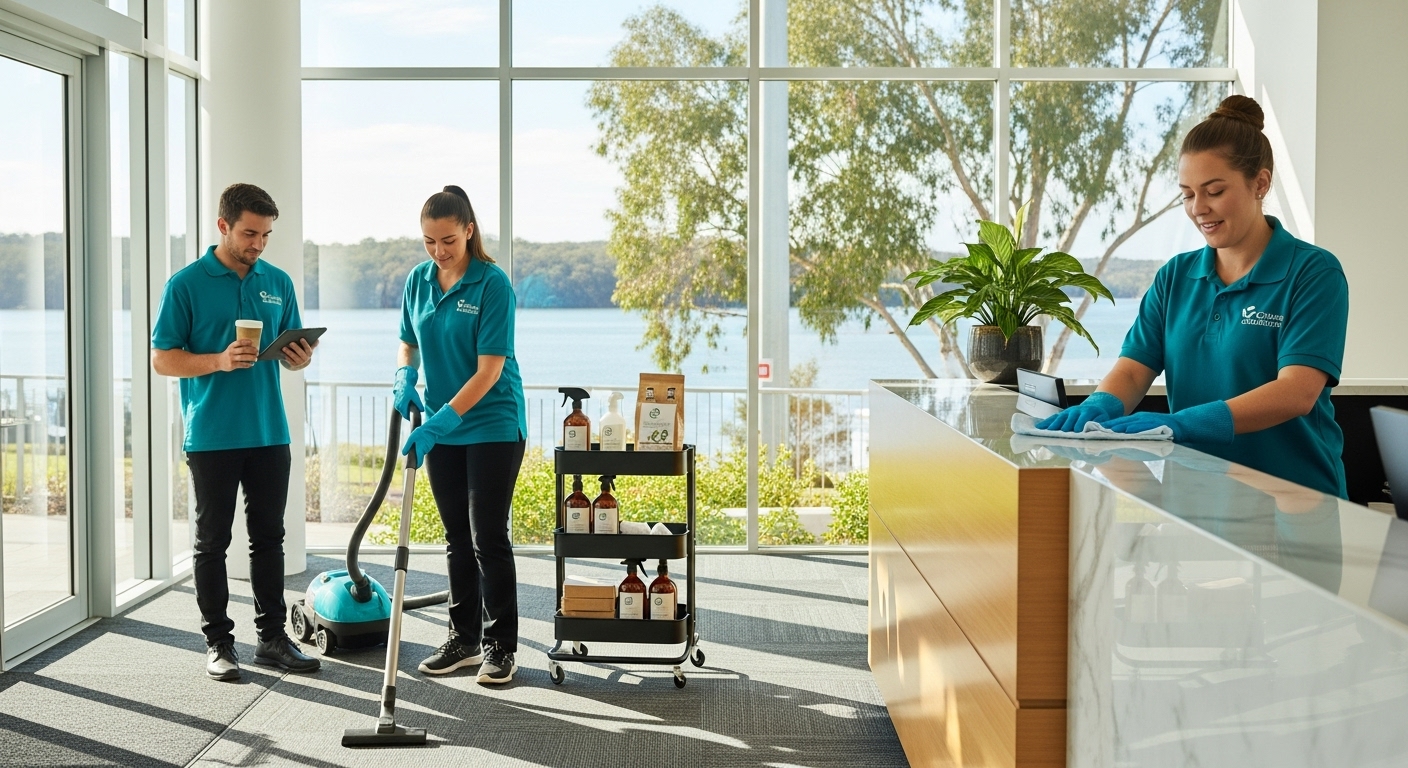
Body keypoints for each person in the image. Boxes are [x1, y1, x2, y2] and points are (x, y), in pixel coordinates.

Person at [1037, 95, 1350, 499]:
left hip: (1296, 503)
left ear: (1261, 183)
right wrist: (1100, 406)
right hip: (1199, 500)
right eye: (1187, 194)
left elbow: (1297, 391)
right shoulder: (1175, 277)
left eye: (1214, 191)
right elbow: (1134, 371)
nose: (1199, 208)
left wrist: (1184, 423)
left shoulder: (1312, 272)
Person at [152, 183, 321, 681]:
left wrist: (300, 357)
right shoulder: (185, 284)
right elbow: (163, 358)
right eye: (250, 233)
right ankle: (219, 644)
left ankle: (272, 640)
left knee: (270, 540)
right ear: (223, 226)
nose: (259, 244)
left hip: (270, 431)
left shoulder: (278, 281)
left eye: (266, 234)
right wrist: (219, 361)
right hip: (213, 434)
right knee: (212, 543)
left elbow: (290, 352)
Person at [393, 185, 527, 684]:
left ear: (468, 230)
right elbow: (408, 341)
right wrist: (405, 377)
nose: (438, 251)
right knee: (455, 539)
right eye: (429, 241)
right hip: (440, 426)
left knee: (486, 536)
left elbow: (489, 370)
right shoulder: (418, 280)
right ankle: (464, 639)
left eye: (447, 239)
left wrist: (441, 421)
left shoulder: (493, 285)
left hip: (492, 421)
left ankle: (500, 646)